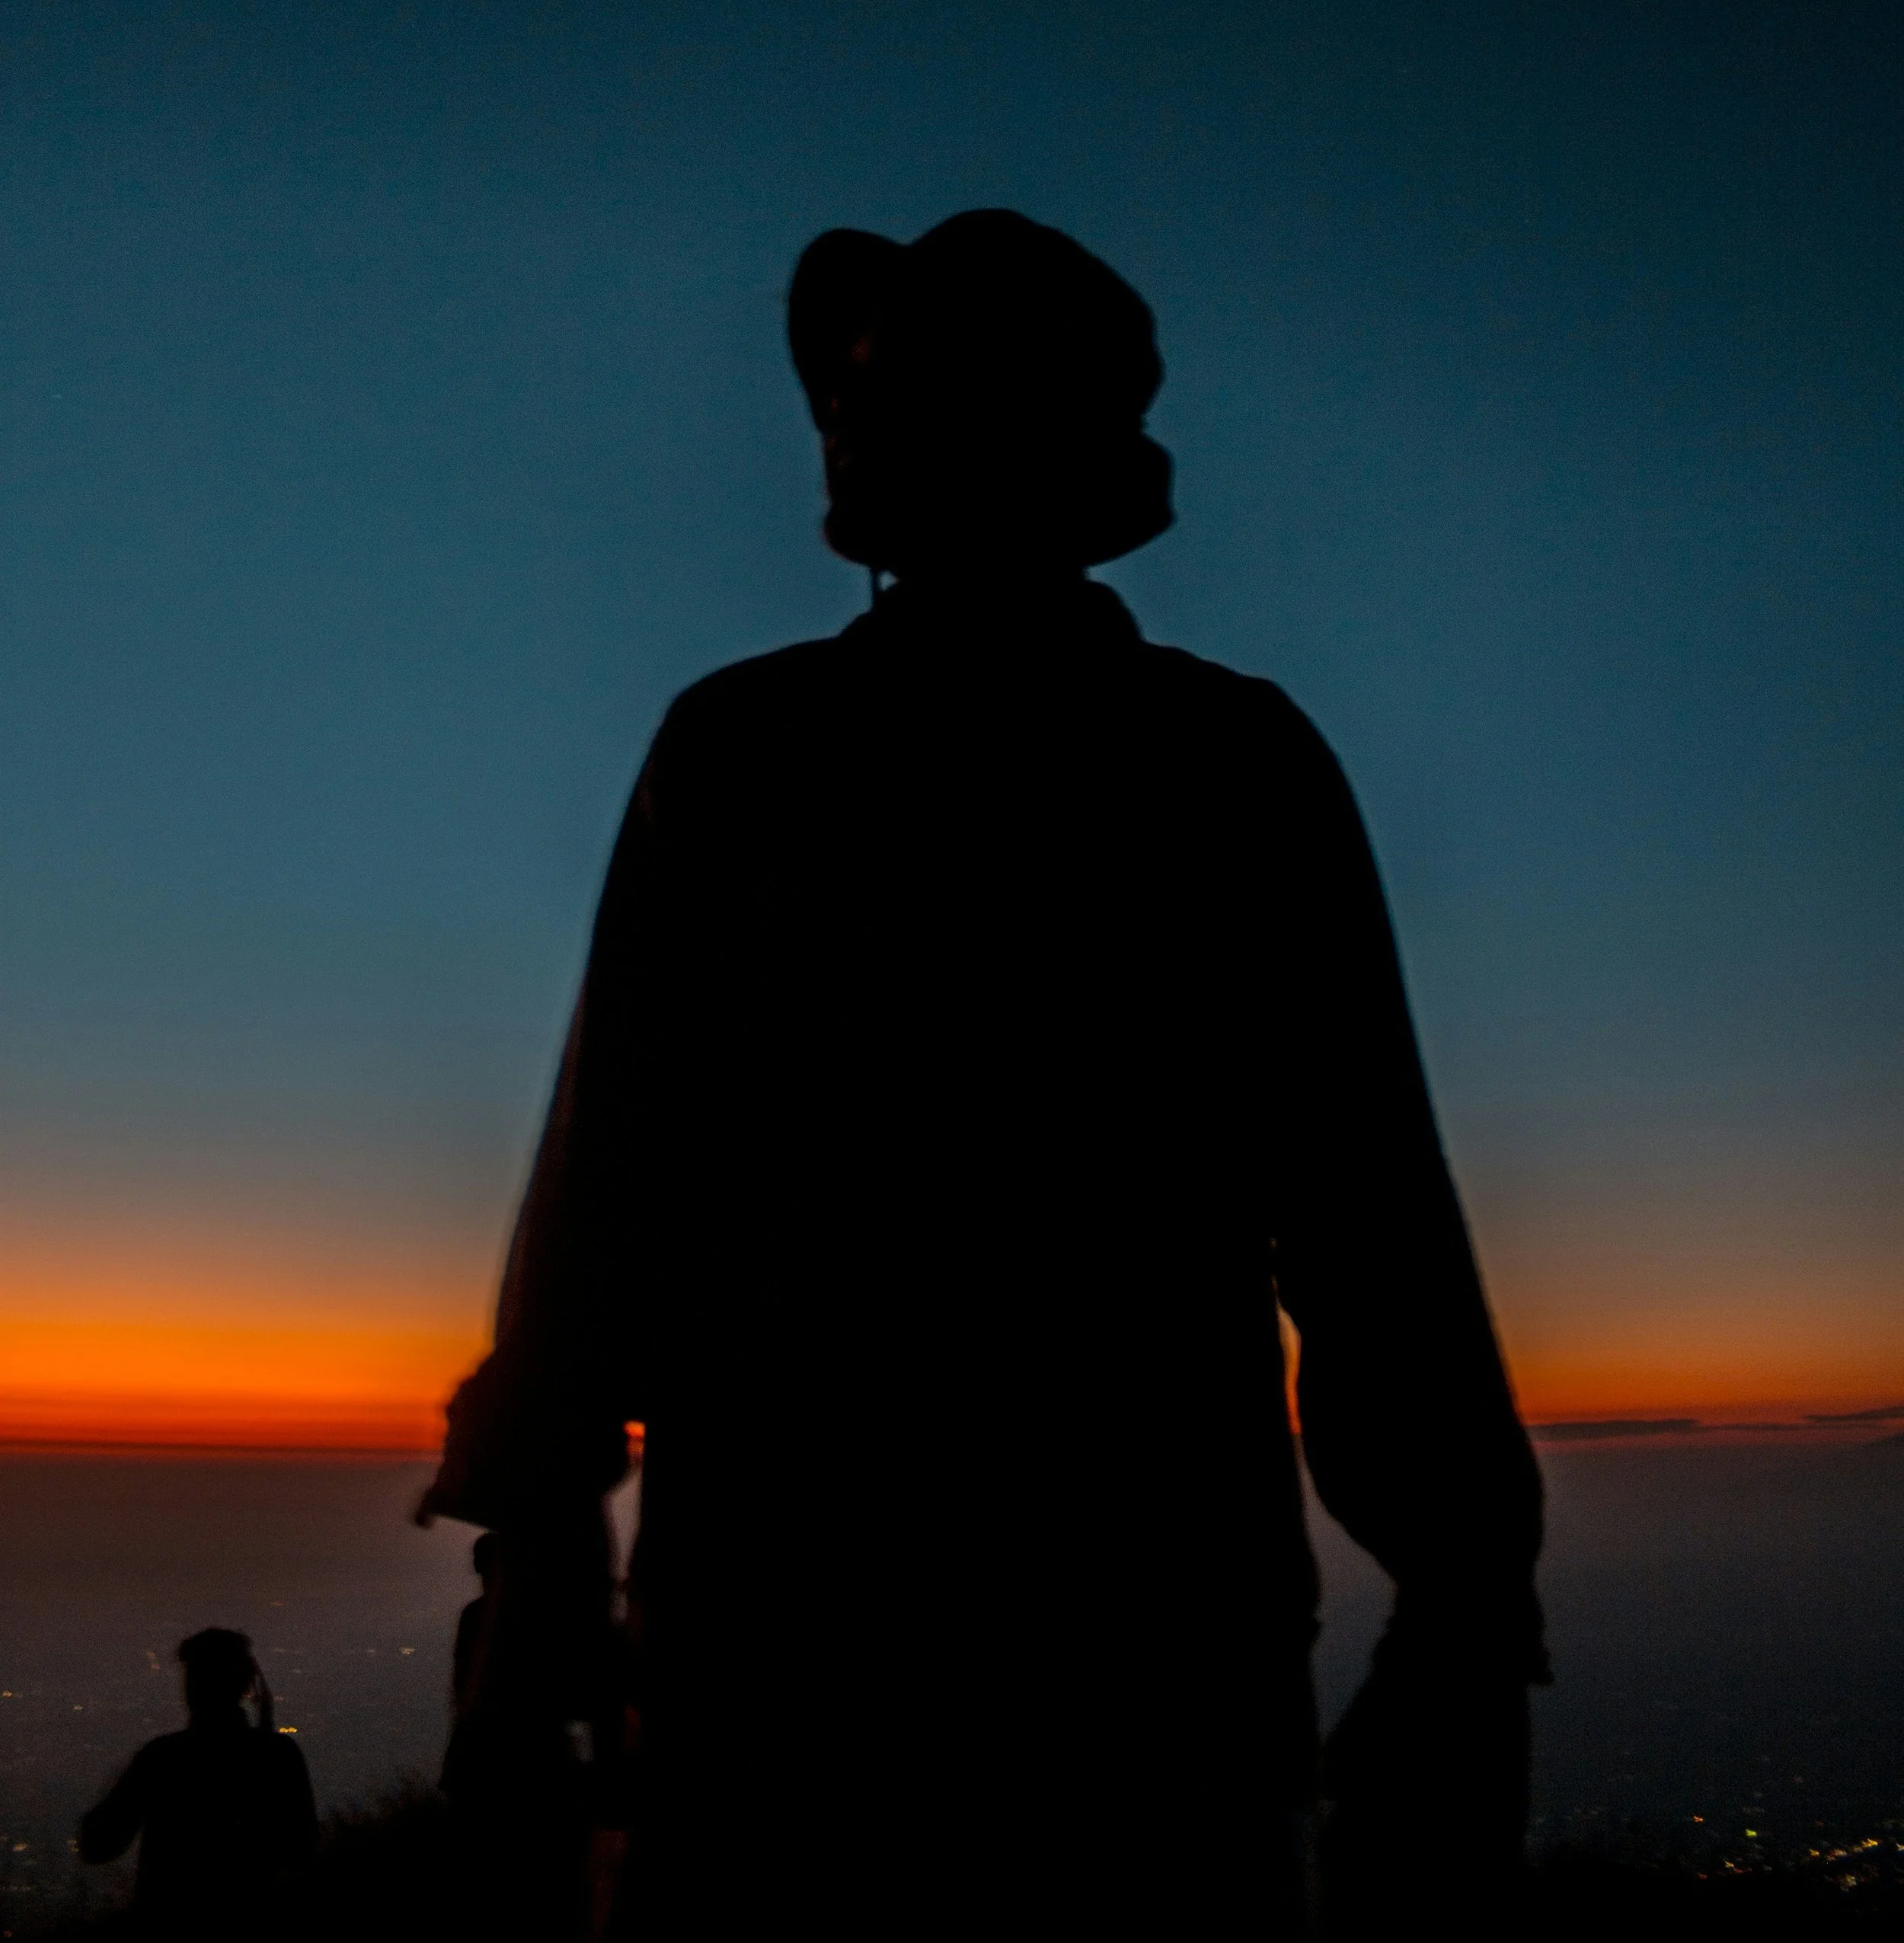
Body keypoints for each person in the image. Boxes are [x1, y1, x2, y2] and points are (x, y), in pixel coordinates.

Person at [420, 209, 1545, 1938]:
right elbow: (1370, 1213)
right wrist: (1460, 1602)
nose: (852, 422)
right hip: (1108, 1644)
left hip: (822, 1645)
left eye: (891, 387)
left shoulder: (765, 748)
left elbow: (608, 1183)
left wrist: (543, 1551)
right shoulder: (1219, 760)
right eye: (859, 386)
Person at [78, 1625, 317, 1935]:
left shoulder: (163, 1758)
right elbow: (303, 1850)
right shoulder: (279, 1755)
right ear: (245, 1685)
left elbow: (99, 1846)